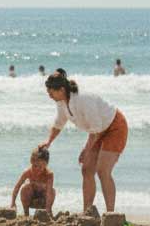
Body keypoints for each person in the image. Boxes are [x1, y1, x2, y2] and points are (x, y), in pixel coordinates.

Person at [40, 69, 128, 215]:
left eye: (51, 92)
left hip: (115, 126)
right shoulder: (62, 102)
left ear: (61, 89)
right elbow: (59, 123)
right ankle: (87, 212)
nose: (49, 95)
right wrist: (48, 142)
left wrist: (87, 149)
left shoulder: (83, 99)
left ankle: (111, 214)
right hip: (97, 130)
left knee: (102, 171)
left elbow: (97, 127)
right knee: (86, 169)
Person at [10, 147, 55, 217]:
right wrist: (13, 202)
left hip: (43, 201)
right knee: (25, 188)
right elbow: (17, 186)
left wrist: (48, 208)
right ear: (31, 162)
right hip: (31, 200)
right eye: (35, 166)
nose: (37, 169)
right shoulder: (28, 172)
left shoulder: (49, 174)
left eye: (40, 167)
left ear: (46, 165)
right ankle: (26, 213)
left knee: (52, 191)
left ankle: (48, 212)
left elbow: (49, 193)